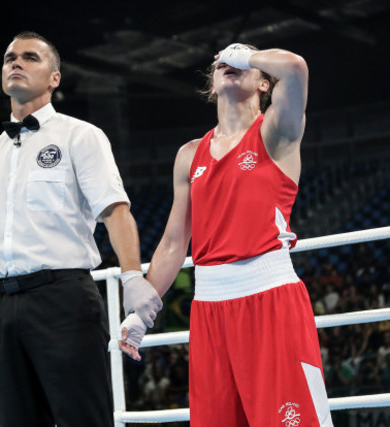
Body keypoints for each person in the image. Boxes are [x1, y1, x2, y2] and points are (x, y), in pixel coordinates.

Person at [0, 31, 161, 426]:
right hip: (0, 306)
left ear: (54, 78)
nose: (16, 63)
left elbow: (115, 210)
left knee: (84, 419)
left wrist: (132, 275)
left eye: (29, 57)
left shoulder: (81, 135)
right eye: (9, 57)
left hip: (62, 299)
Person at [119, 43, 335, 426]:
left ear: (265, 85)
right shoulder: (189, 154)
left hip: (270, 298)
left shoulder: (276, 131)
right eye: (222, 63)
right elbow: (173, 242)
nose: (228, 64)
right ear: (212, 86)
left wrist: (245, 55)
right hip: (209, 310)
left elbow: (297, 67)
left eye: (237, 61)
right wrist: (142, 311)